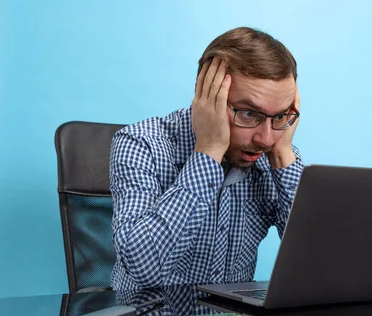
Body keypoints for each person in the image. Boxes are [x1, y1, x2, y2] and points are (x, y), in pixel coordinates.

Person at [109, 27, 303, 290]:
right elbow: (143, 268)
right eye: (248, 113)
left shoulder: (274, 151)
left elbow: (325, 266)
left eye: (280, 116)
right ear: (206, 94)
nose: (265, 139)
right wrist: (209, 150)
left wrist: (283, 156)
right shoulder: (140, 143)